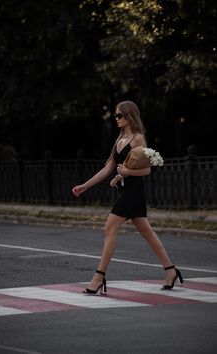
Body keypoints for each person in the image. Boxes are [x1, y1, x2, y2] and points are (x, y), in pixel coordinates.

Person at [72, 100, 184, 294]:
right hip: (126, 191)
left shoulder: (138, 139)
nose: (116, 119)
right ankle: (171, 271)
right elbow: (108, 167)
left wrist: (127, 173)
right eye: (115, 116)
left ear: (129, 116)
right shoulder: (120, 138)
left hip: (134, 191)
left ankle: (98, 277)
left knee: (109, 227)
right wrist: (84, 186)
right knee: (146, 231)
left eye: (119, 115)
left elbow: (147, 170)